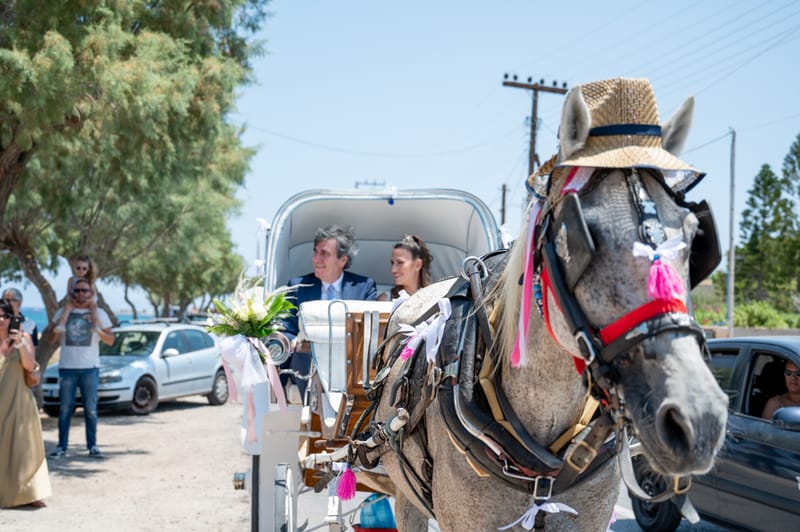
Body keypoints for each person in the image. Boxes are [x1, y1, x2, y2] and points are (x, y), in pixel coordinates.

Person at [280, 225, 377, 399]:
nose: (316, 259)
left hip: (348, 364)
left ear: (342, 260)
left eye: (324, 253)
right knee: (303, 352)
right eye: (315, 252)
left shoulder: (364, 288)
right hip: (307, 364)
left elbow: (367, 333)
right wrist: (289, 340)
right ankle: (312, 409)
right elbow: (286, 329)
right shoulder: (297, 287)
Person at [49, 278, 114, 458]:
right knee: (64, 409)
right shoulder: (63, 312)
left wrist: (99, 331)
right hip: (67, 367)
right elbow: (50, 340)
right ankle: (61, 447)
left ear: (91, 293)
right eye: (77, 290)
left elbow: (110, 340)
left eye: (85, 290)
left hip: (89, 368)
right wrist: (58, 328)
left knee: (91, 409)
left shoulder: (99, 313)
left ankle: (92, 446)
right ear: (72, 292)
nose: (81, 294)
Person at [0, 301, 51, 508]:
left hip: (18, 400)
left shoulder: (25, 338)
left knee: (22, 448)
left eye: (4, 315)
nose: (0, 320)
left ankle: (28, 493)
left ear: (13, 317)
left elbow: (30, 366)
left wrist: (20, 344)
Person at [377, 234, 433, 301]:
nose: (393, 270)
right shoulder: (385, 299)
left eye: (400, 262)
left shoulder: (434, 299)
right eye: (392, 263)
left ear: (418, 265)